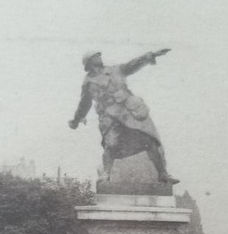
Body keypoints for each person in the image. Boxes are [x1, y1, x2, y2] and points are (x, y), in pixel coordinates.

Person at [69, 49, 176, 184]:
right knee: (111, 144)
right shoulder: (88, 82)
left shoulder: (116, 70)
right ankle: (106, 174)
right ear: (89, 62)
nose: (100, 56)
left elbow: (133, 64)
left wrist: (150, 56)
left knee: (150, 140)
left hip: (129, 111)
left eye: (99, 54)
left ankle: (163, 174)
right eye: (96, 56)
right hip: (108, 115)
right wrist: (76, 120)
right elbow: (84, 103)